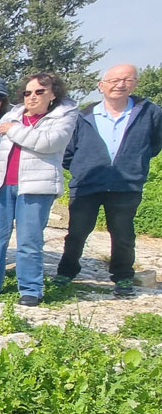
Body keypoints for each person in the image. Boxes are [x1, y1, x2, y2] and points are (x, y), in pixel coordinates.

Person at [0, 72, 78, 305]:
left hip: (36, 187)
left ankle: (30, 288)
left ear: (53, 94)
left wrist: (12, 130)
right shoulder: (13, 115)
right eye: (27, 92)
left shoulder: (64, 115)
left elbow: (50, 143)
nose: (32, 97)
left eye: (39, 92)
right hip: (1, 185)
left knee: (29, 239)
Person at [56, 64, 162, 297]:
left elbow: (154, 145)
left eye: (127, 80)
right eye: (113, 80)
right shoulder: (84, 115)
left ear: (135, 83)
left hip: (126, 183)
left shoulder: (149, 113)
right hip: (87, 184)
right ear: (101, 86)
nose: (120, 85)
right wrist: (82, 169)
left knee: (123, 234)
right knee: (77, 232)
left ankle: (123, 277)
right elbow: (68, 150)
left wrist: (134, 163)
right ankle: (66, 272)